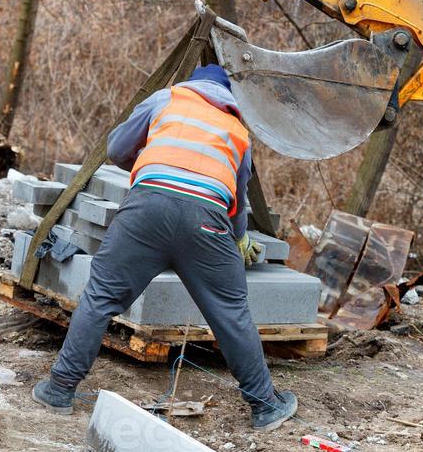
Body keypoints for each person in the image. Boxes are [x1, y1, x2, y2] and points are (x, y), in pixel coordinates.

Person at [32, 64, 297, 430]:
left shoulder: (166, 99)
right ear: (229, 98)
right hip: (207, 220)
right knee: (231, 312)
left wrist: (149, 164)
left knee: (100, 297)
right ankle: (265, 406)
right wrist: (238, 237)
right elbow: (238, 196)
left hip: (145, 210)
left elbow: (117, 148)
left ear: (192, 83)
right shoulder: (238, 131)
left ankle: (60, 389)